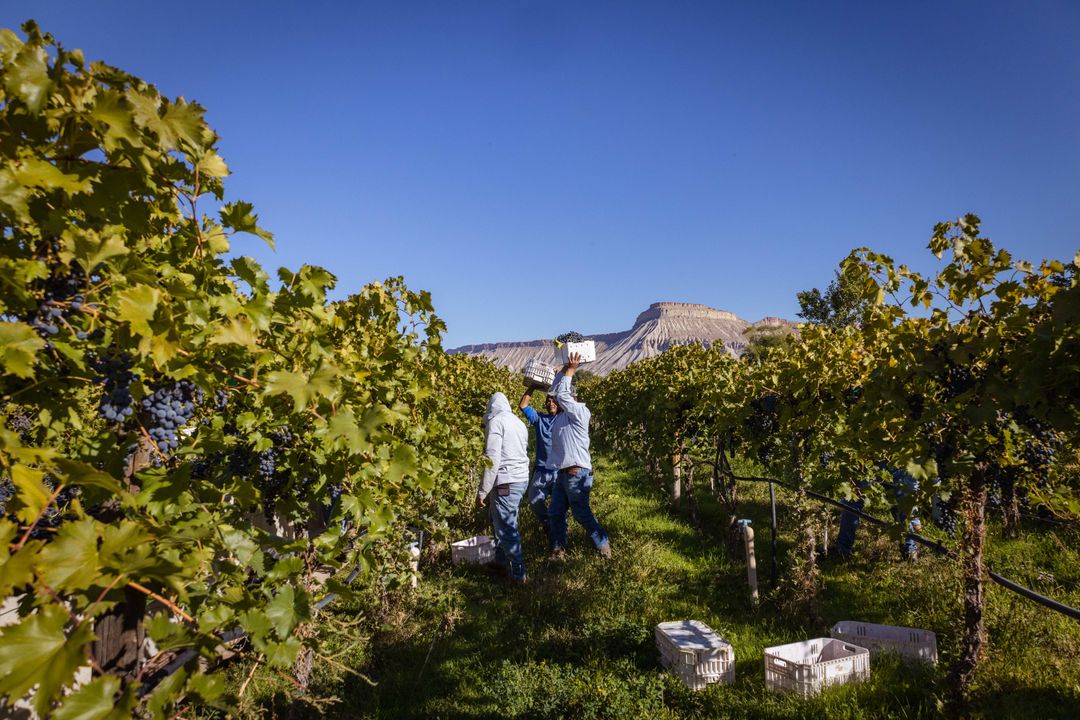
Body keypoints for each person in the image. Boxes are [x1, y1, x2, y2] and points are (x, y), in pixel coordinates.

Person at [548, 352, 611, 558]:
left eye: (565, 398)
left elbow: (563, 396)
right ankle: (558, 551)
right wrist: (561, 372)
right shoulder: (559, 418)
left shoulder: (580, 412)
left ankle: (604, 547)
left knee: (581, 514)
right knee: (556, 513)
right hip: (562, 474)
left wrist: (571, 370)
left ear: (573, 398)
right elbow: (558, 393)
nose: (559, 400)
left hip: (576, 473)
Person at [477, 392, 530, 582]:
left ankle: (518, 576)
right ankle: (500, 563)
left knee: (507, 529)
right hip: (521, 480)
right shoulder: (518, 422)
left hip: (506, 481)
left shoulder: (496, 422)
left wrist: (483, 491)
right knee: (501, 520)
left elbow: (492, 459)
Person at [518, 386, 560, 539]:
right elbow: (523, 405)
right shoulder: (539, 419)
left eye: (554, 400)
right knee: (534, 499)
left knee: (559, 506)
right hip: (541, 470)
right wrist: (533, 386)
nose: (551, 403)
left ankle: (558, 537)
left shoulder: (563, 418)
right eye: (548, 401)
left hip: (558, 471)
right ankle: (547, 523)